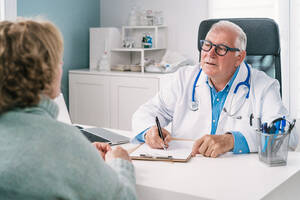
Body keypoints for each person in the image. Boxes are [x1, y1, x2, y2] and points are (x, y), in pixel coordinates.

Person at [0, 18, 136, 199]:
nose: (62, 65)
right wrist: (120, 163)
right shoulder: (65, 143)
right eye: (58, 60)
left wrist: (82, 156)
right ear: (48, 72)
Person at [132, 20, 298, 158]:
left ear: (239, 57)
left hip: (242, 177)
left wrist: (232, 141)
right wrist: (149, 132)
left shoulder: (264, 86)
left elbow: (286, 137)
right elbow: (145, 113)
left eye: (221, 49)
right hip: (186, 171)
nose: (210, 54)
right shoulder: (184, 78)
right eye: (207, 45)